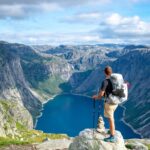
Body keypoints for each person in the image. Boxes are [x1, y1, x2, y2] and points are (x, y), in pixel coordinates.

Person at [92, 66, 118, 143]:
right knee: (111, 118)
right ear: (111, 72)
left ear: (104, 72)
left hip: (109, 103)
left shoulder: (105, 82)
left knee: (111, 119)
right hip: (115, 102)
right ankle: (112, 133)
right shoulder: (115, 80)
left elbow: (101, 95)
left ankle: (113, 136)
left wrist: (95, 97)